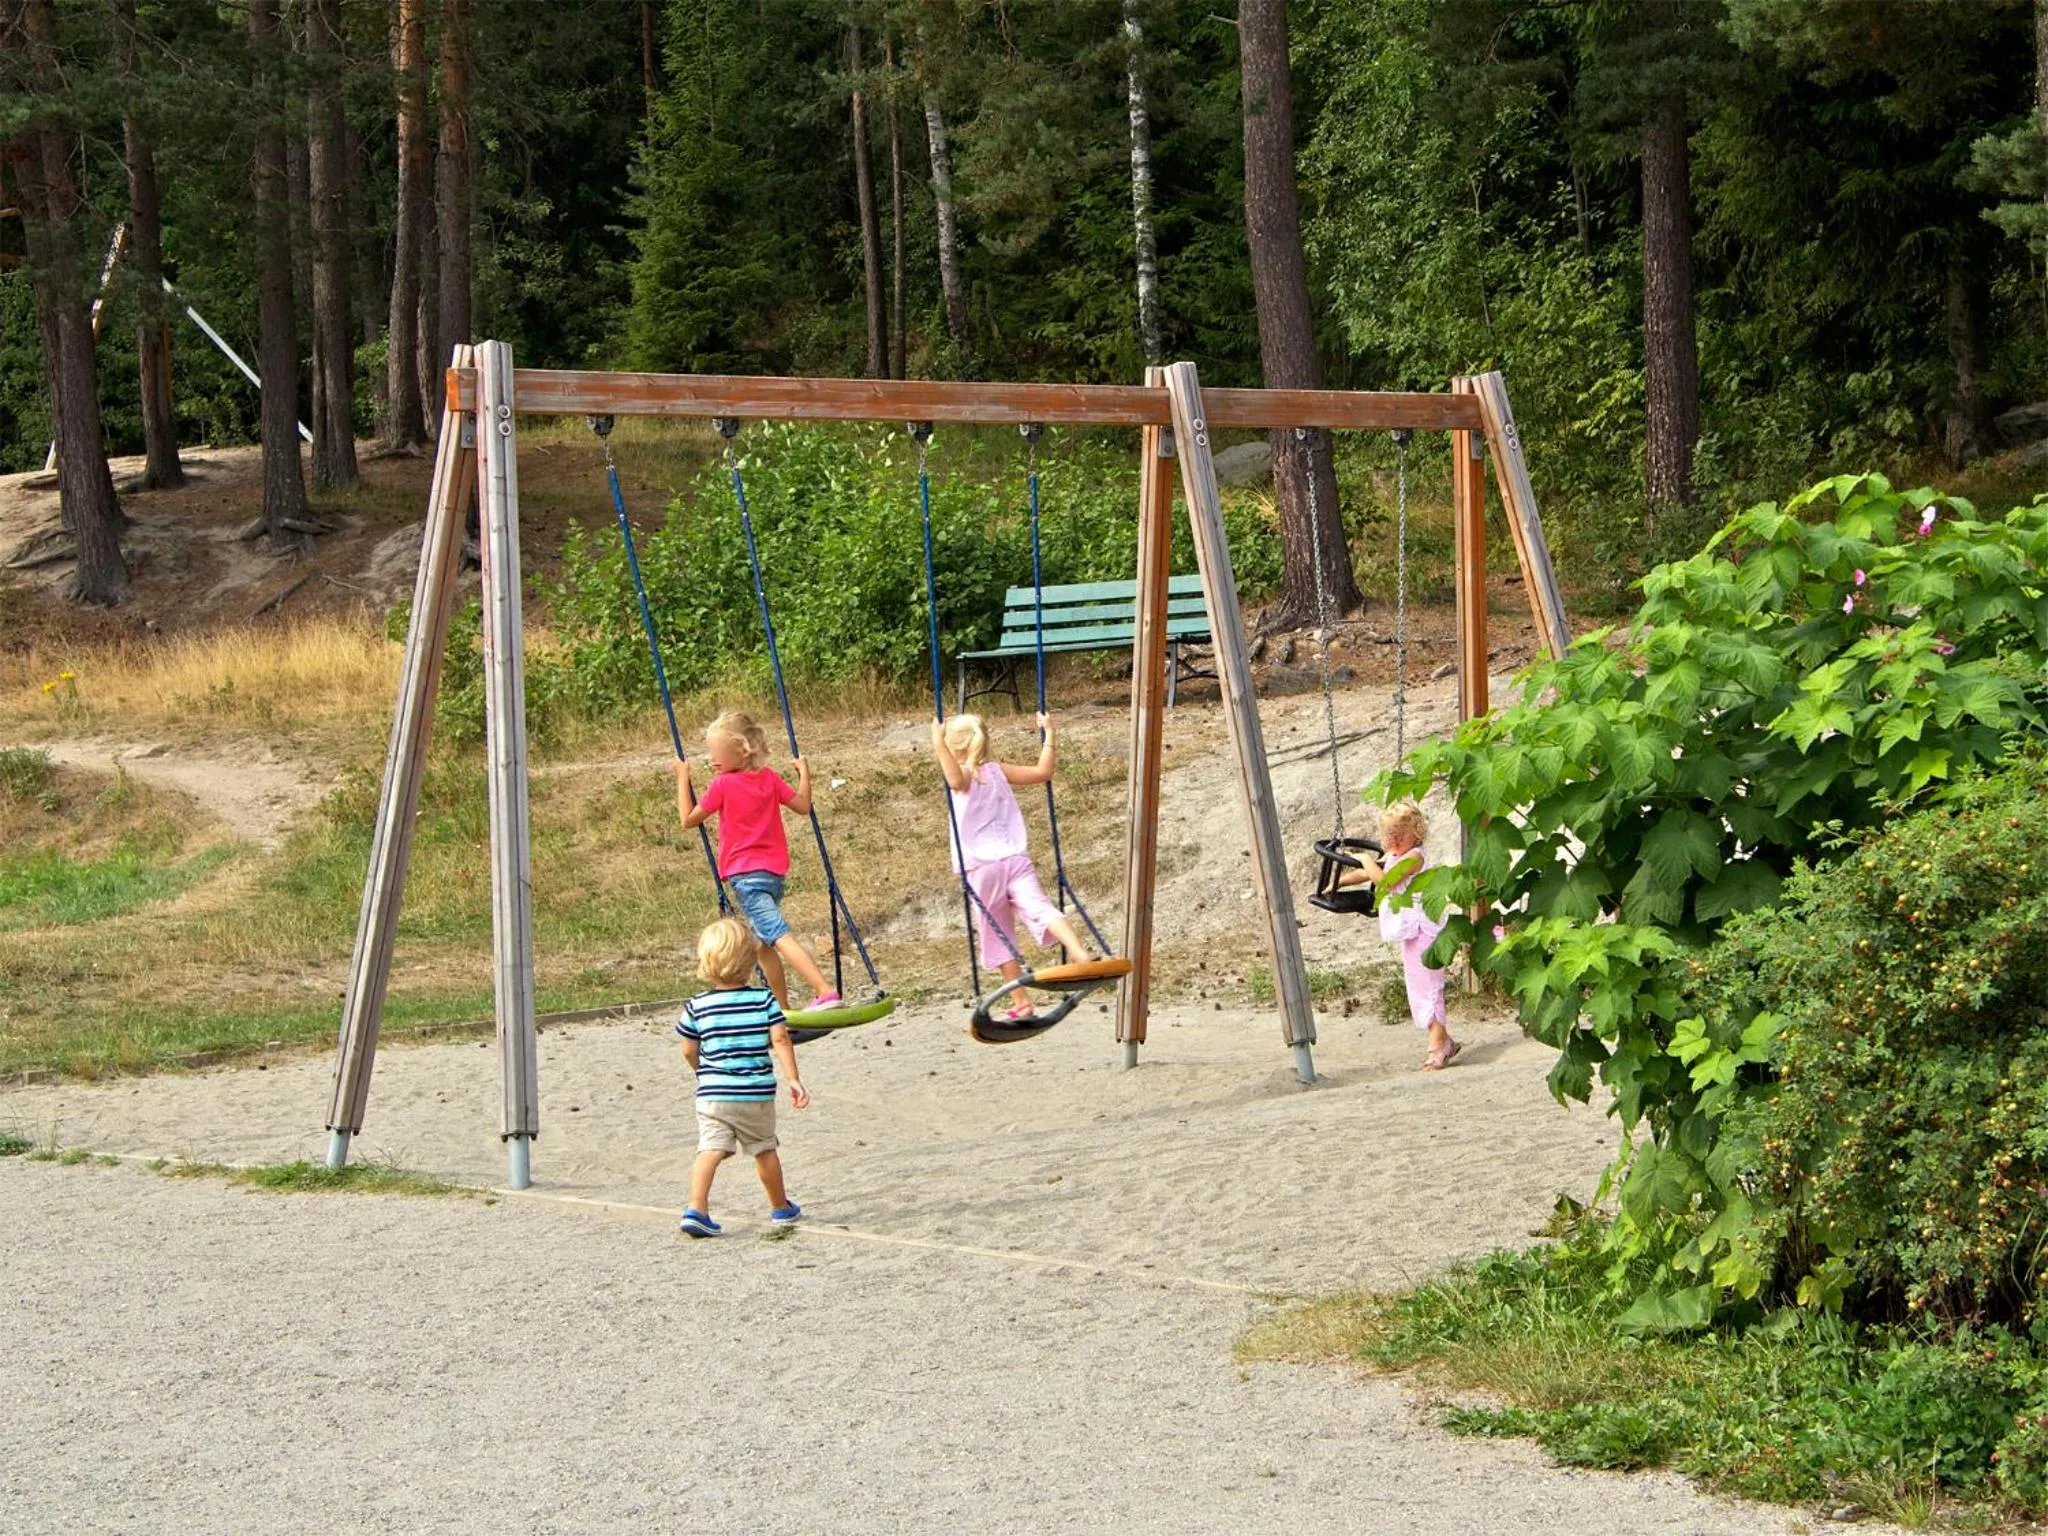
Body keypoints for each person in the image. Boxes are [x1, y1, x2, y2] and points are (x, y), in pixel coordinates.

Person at [930, 711, 1096, 1018]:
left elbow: (953, 778)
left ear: (955, 748)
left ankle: (1021, 1002)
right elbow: (1043, 772)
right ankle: (1079, 952)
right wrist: (1049, 735)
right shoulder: (996, 770)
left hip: (983, 867)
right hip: (1016, 859)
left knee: (997, 930)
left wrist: (936, 743)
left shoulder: (966, 774)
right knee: (1040, 907)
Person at [676, 709, 839, 1012]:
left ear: (741, 752)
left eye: (717, 754)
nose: (712, 760)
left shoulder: (723, 785)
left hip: (746, 878)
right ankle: (782, 1009)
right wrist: (805, 774)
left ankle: (824, 990)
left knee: (778, 935)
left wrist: (682, 778)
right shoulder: (770, 778)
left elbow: (688, 819)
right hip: (773, 876)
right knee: (763, 946)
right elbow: (803, 806)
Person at [676, 915, 809, 1238]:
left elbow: (688, 1049)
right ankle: (780, 1206)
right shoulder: (763, 1000)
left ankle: (697, 1207)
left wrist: (701, 1072)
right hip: (755, 1093)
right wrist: (793, 1078)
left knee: (710, 1149)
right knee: (764, 1148)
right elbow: (780, 1039)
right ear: (751, 961)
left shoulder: (698, 1005)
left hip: (712, 1095)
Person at [1340, 800, 1461, 1070]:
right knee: (1418, 989)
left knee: (1430, 988)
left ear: (1416, 834)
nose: (1393, 840)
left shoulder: (1415, 856)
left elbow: (1385, 880)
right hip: (1410, 932)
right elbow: (1366, 874)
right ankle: (1445, 1040)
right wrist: (1336, 883)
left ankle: (1438, 1046)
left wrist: (1364, 858)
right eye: (1388, 835)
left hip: (1426, 931)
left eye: (1400, 834)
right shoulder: (1394, 854)